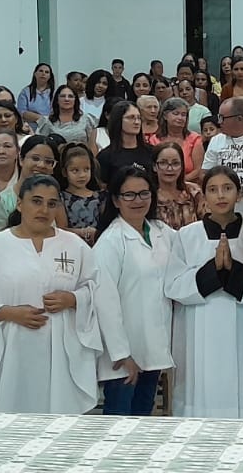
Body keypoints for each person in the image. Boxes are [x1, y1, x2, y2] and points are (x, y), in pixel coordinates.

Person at [0, 174, 136, 413]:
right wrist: (7, 312)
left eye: (52, 204)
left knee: (57, 416)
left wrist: (73, 299)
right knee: (8, 415)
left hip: (59, 349)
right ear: (20, 204)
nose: (44, 210)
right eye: (36, 201)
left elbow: (97, 290)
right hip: (10, 347)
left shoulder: (74, 245)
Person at [166, 167, 243, 418]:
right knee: (199, 390)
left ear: (239, 194)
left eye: (227, 188)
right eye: (212, 189)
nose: (220, 195)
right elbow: (174, 285)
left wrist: (233, 271)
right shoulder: (187, 235)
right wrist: (213, 270)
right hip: (198, 326)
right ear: (204, 196)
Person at [92, 165, 176, 415]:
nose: (138, 200)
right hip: (124, 356)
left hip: (153, 348)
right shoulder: (110, 242)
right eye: (129, 195)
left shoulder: (161, 232)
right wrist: (121, 353)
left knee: (143, 421)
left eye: (144, 193)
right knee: (119, 422)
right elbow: (104, 302)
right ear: (116, 200)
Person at [97, 101, 156, 183]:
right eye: (131, 117)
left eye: (139, 118)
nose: (137, 122)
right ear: (118, 120)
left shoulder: (152, 151)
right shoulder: (105, 156)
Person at [57, 143, 104, 244]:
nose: (82, 175)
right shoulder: (60, 198)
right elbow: (61, 229)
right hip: (71, 245)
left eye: (86, 169)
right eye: (75, 170)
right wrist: (83, 232)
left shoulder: (101, 196)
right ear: (65, 172)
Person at [152, 97, 205, 184]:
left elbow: (198, 170)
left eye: (183, 115)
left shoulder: (195, 139)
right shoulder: (154, 140)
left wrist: (178, 183)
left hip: (188, 184)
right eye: (176, 113)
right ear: (165, 116)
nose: (180, 118)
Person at [153, 141, 204, 231]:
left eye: (175, 163)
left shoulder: (194, 191)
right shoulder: (148, 195)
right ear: (154, 166)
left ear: (182, 166)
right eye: (163, 163)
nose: (170, 168)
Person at [37, 85, 98, 150]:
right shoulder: (47, 121)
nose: (66, 99)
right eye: (63, 96)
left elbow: (93, 145)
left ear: (75, 100)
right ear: (57, 100)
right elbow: (41, 145)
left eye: (70, 96)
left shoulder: (87, 119)